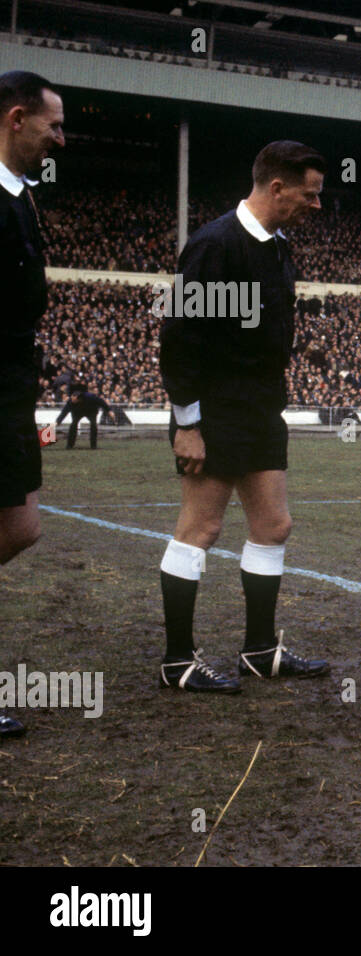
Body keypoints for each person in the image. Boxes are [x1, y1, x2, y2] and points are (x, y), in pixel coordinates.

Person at [156, 140, 329, 693]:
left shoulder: (278, 247)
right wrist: (188, 423)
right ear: (276, 187)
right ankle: (177, 661)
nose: (316, 206)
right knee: (201, 528)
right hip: (215, 412)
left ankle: (259, 651)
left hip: (260, 410)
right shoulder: (215, 245)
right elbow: (178, 340)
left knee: (274, 526)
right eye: (310, 194)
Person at [0, 70, 63, 738]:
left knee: (20, 526)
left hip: (11, 385)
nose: (61, 139)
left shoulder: (20, 197)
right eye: (54, 125)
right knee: (19, 527)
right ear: (17, 118)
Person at [55, 383, 112, 449]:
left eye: (74, 399)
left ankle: (93, 446)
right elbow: (64, 412)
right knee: (73, 424)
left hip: (91, 410)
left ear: (78, 399)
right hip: (77, 412)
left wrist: (109, 411)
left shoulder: (90, 397)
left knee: (93, 425)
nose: (72, 400)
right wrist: (57, 422)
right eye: (72, 398)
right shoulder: (70, 402)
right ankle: (70, 445)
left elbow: (102, 402)